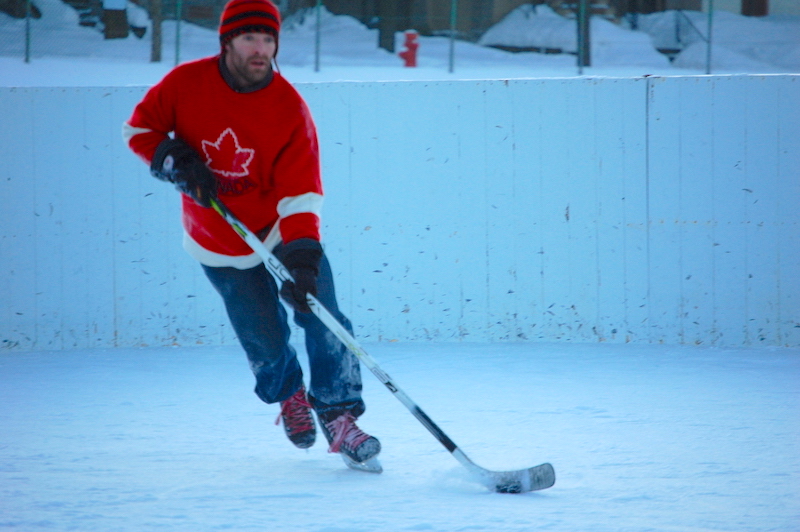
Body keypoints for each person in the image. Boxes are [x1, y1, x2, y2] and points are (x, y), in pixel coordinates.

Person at [122, 0, 380, 466]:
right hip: (217, 237)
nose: (260, 49)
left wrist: (303, 257)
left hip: (279, 230)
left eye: (268, 39)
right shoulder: (185, 84)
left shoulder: (288, 106)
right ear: (227, 42)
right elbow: (139, 129)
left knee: (324, 314)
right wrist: (174, 160)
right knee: (262, 337)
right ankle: (289, 396)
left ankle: (339, 414)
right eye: (249, 39)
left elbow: (301, 190)